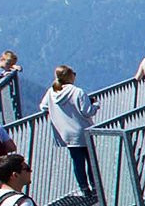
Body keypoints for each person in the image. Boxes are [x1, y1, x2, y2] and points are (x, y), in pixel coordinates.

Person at [40, 65, 100, 198]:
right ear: (70, 76)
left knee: (77, 162)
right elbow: (87, 111)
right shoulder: (77, 91)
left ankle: (84, 189)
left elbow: (43, 106)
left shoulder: (52, 92)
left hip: (66, 133)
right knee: (91, 160)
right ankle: (96, 187)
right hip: (83, 130)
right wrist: (95, 105)